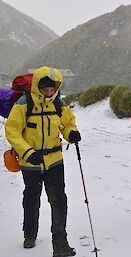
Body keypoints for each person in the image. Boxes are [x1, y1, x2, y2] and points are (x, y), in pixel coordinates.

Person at [5, 66, 81, 257]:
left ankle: (60, 244)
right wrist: (28, 152)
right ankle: (30, 234)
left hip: (54, 160)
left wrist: (71, 133)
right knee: (32, 199)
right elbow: (12, 131)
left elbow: (67, 123)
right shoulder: (24, 103)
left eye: (53, 89)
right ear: (38, 87)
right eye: (46, 88)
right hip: (30, 163)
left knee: (59, 201)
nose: (49, 92)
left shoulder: (58, 104)